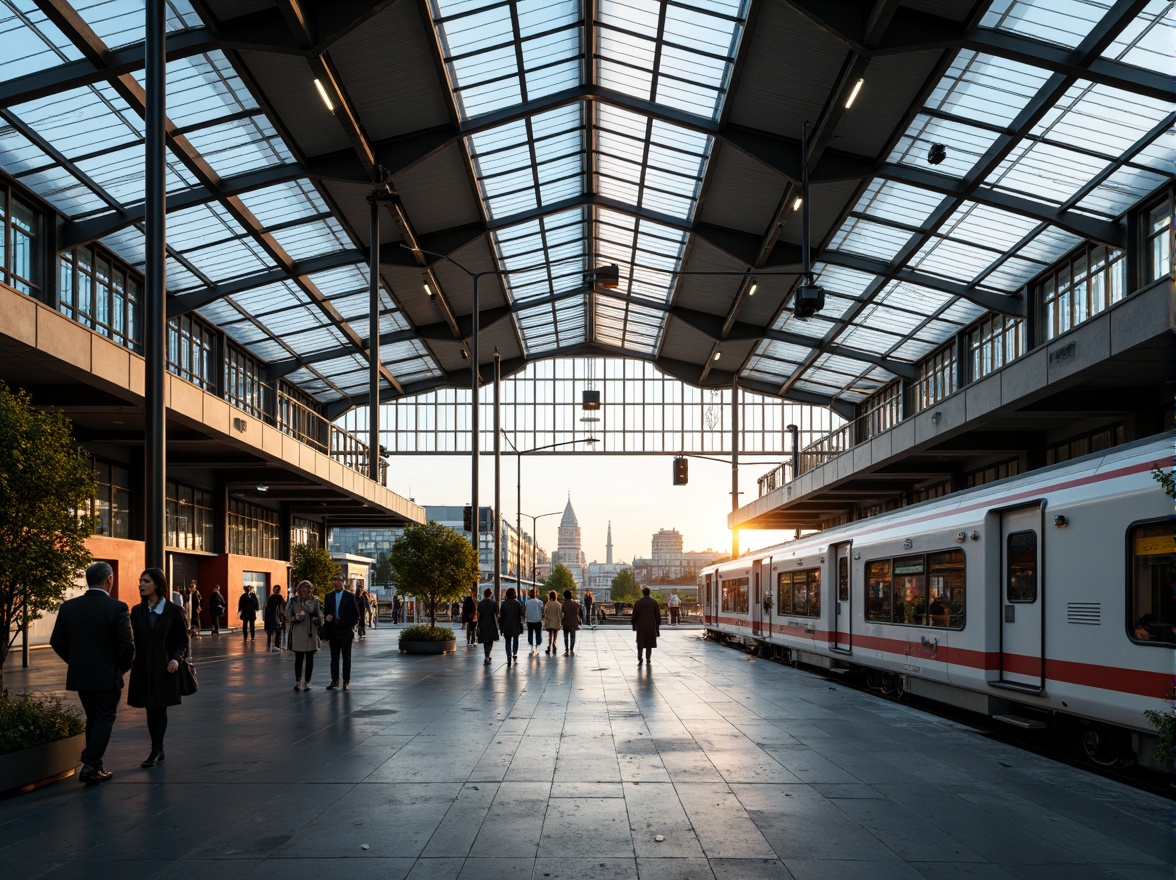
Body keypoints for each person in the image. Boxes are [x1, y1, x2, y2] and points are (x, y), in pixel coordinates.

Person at [50, 561, 135, 786]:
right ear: (109, 579)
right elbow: (127, 647)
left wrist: (77, 662)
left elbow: (56, 640)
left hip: (82, 676)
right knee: (104, 718)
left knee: (94, 718)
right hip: (107, 676)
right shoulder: (117, 608)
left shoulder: (68, 607)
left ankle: (95, 765)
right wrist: (119, 668)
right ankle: (89, 764)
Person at [128, 568, 189, 768]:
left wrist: (176, 660)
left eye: (145, 581)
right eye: (140, 581)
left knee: (158, 707)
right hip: (143, 664)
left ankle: (157, 749)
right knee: (149, 705)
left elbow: (182, 641)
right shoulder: (136, 611)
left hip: (165, 666)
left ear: (157, 584)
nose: (141, 585)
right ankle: (157, 749)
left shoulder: (173, 611)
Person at [323, 574, 359, 690]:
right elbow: (326, 612)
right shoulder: (328, 596)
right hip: (333, 630)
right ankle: (335, 680)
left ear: (343, 582)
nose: (336, 582)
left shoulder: (349, 596)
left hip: (345, 630)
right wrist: (327, 617)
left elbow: (356, 614)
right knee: (334, 657)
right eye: (334, 580)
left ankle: (346, 681)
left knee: (346, 657)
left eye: (338, 580)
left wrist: (350, 626)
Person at [287, 580, 323, 690]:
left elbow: (320, 616)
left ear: (311, 590)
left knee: (310, 658)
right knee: (299, 658)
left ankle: (307, 682)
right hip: (298, 632)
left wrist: (317, 619)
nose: (305, 591)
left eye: (307, 589)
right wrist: (297, 617)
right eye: (303, 589)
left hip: (311, 632)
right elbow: (288, 617)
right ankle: (298, 681)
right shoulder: (293, 601)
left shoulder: (315, 601)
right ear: (299, 589)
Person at [632, 586, 661, 666]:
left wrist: (634, 625)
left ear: (642, 593)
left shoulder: (638, 602)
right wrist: (657, 625)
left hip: (641, 625)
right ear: (649, 593)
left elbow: (634, 615)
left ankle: (639, 656)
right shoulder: (654, 602)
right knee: (649, 642)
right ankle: (648, 658)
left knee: (640, 641)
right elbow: (657, 615)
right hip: (651, 624)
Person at [499, 587, 524, 665]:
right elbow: (522, 614)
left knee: (508, 641)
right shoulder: (517, 604)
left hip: (506, 625)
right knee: (515, 640)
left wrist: (501, 627)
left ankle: (508, 656)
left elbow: (501, 617)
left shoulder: (504, 604)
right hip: (515, 625)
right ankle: (515, 653)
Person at [476, 587, 499, 665]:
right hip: (491, 624)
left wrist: (478, 624)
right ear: (490, 594)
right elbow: (497, 614)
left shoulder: (480, 603)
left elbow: (478, 615)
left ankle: (486, 656)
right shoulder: (493, 604)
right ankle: (487, 656)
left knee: (485, 641)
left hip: (482, 624)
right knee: (490, 641)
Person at [264, 585, 286, 652]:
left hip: (276, 617)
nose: (277, 590)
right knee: (272, 631)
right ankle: (272, 644)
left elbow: (283, 606)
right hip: (272, 617)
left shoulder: (279, 597)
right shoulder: (272, 597)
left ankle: (276, 645)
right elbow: (268, 608)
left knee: (277, 631)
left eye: (278, 589)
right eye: (276, 589)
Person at [560, 589, 581, 656]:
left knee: (566, 637)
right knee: (573, 637)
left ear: (564, 596)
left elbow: (561, 613)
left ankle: (566, 649)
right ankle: (571, 648)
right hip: (574, 623)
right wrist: (579, 619)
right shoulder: (575, 604)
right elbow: (580, 611)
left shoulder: (563, 604)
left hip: (566, 623)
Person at [524, 588, 544, 654]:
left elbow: (525, 610)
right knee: (538, 633)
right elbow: (542, 610)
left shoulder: (527, 602)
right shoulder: (539, 602)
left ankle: (531, 644)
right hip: (537, 619)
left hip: (529, 620)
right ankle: (537, 644)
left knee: (530, 633)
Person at [542, 590, 562, 656]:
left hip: (549, 622)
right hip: (556, 622)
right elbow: (560, 614)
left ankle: (549, 645)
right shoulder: (558, 604)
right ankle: (554, 643)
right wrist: (560, 622)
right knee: (555, 633)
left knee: (550, 634)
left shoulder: (547, 604)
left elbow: (545, 613)